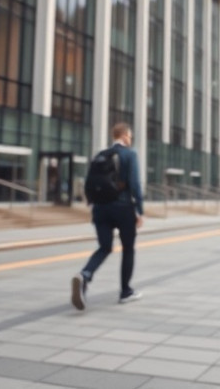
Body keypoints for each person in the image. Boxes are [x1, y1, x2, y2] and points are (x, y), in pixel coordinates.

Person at [72, 122, 144, 310]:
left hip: (100, 208)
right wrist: (140, 210)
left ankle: (85, 274)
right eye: (130, 136)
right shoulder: (130, 154)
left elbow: (90, 183)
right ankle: (125, 291)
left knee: (104, 247)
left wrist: (94, 205)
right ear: (126, 136)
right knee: (128, 248)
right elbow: (135, 184)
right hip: (123, 208)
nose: (131, 139)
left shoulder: (100, 155)